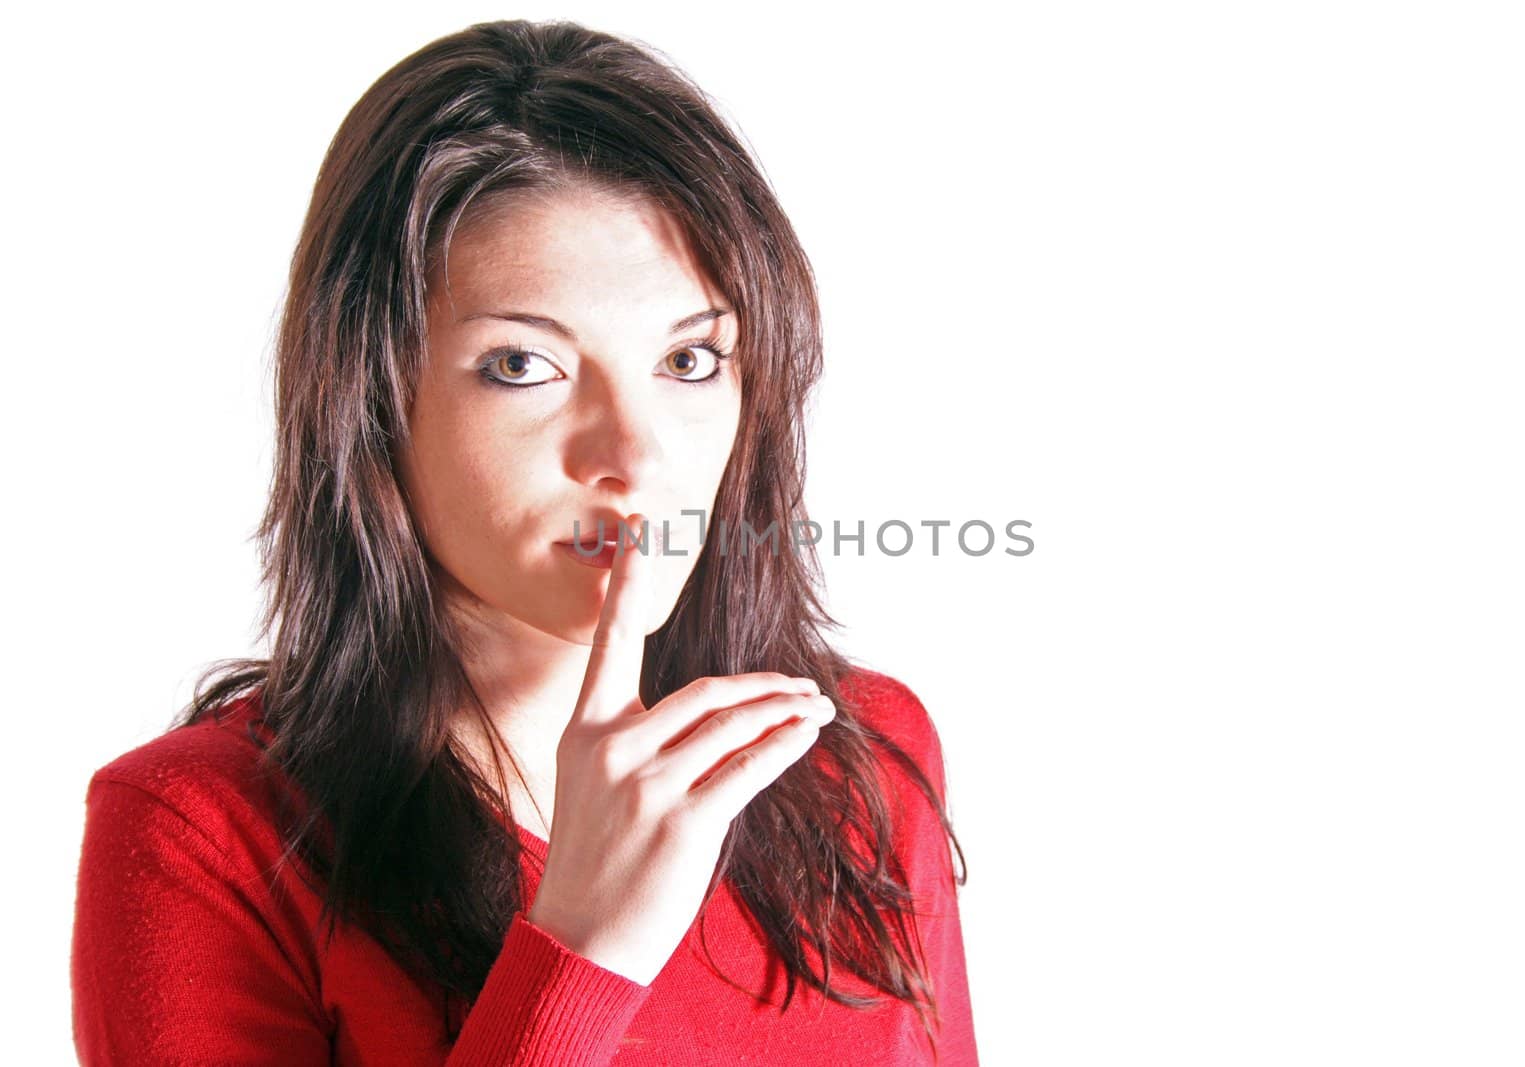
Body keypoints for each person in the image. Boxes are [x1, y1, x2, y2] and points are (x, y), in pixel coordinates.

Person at [70, 17, 978, 1066]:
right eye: (521, 365)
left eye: (688, 360)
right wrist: (581, 951)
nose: (633, 456)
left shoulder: (853, 754)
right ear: (371, 398)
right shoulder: (203, 831)